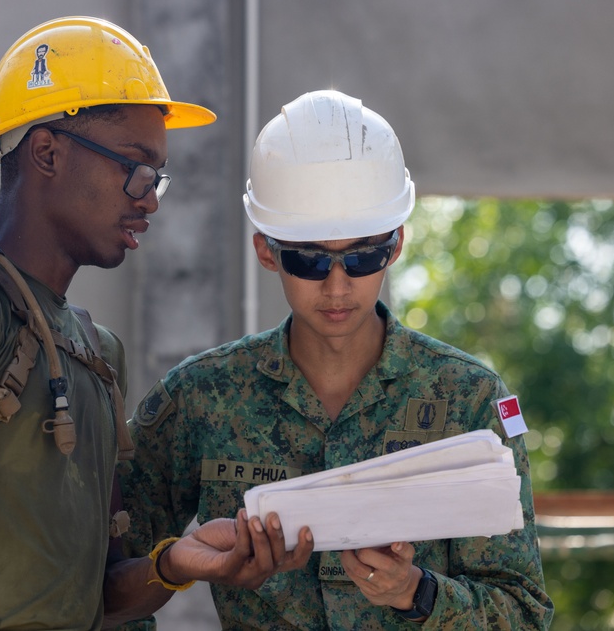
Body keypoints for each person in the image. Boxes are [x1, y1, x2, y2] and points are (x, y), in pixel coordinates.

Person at [0, 16, 312, 630]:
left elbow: (95, 597)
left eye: (158, 177)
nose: (150, 198)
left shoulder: (94, 350)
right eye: (135, 167)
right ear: (48, 152)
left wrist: (176, 565)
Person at [118, 90, 555, 629]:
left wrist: (417, 593)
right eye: (309, 258)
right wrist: (174, 564)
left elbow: (524, 612)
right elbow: (109, 576)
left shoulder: (466, 398)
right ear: (266, 252)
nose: (338, 284)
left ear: (394, 247)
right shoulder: (200, 398)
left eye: (363, 255)